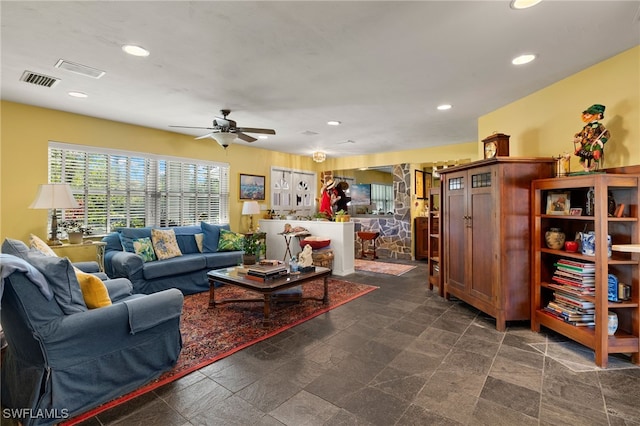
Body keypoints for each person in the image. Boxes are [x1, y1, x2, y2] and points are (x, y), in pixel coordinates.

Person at [574, 104, 610, 172]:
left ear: (598, 115)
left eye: (589, 114)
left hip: (594, 144)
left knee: (596, 154)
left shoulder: (600, 126)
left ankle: (591, 167)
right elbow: (582, 134)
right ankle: (585, 168)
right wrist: (577, 137)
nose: (586, 115)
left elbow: (607, 134)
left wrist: (601, 141)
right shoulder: (586, 127)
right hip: (585, 144)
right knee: (581, 155)